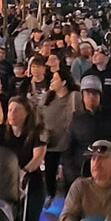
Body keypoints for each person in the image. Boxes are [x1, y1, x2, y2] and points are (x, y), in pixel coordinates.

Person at [63, 75, 111, 190]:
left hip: (108, 173)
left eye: (95, 93)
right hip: (82, 173)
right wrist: (72, 176)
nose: (91, 97)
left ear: (100, 96)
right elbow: (68, 150)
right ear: (82, 96)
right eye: (87, 93)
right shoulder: (76, 119)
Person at [41, 68, 81, 202]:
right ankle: (50, 194)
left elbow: (77, 115)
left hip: (67, 141)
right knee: (49, 172)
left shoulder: (73, 96)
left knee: (70, 173)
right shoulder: (47, 97)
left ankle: (71, 200)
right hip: (50, 141)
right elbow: (39, 115)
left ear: (63, 82)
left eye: (55, 78)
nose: (51, 81)